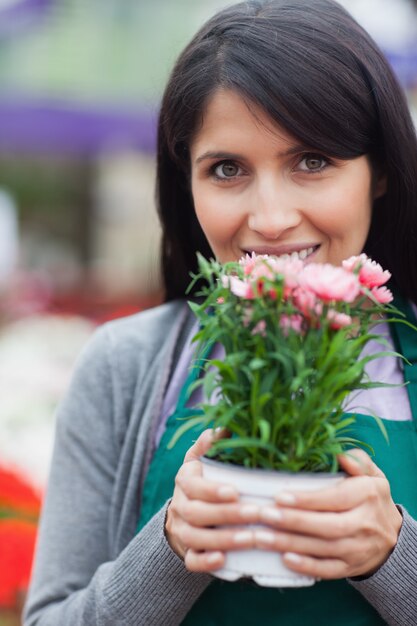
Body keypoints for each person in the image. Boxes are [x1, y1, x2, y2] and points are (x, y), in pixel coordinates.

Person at [23, 0, 417, 624]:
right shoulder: (125, 366)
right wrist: (171, 547)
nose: (270, 218)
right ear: (187, 183)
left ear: (380, 173)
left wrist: (395, 556)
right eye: (227, 169)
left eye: (312, 161)